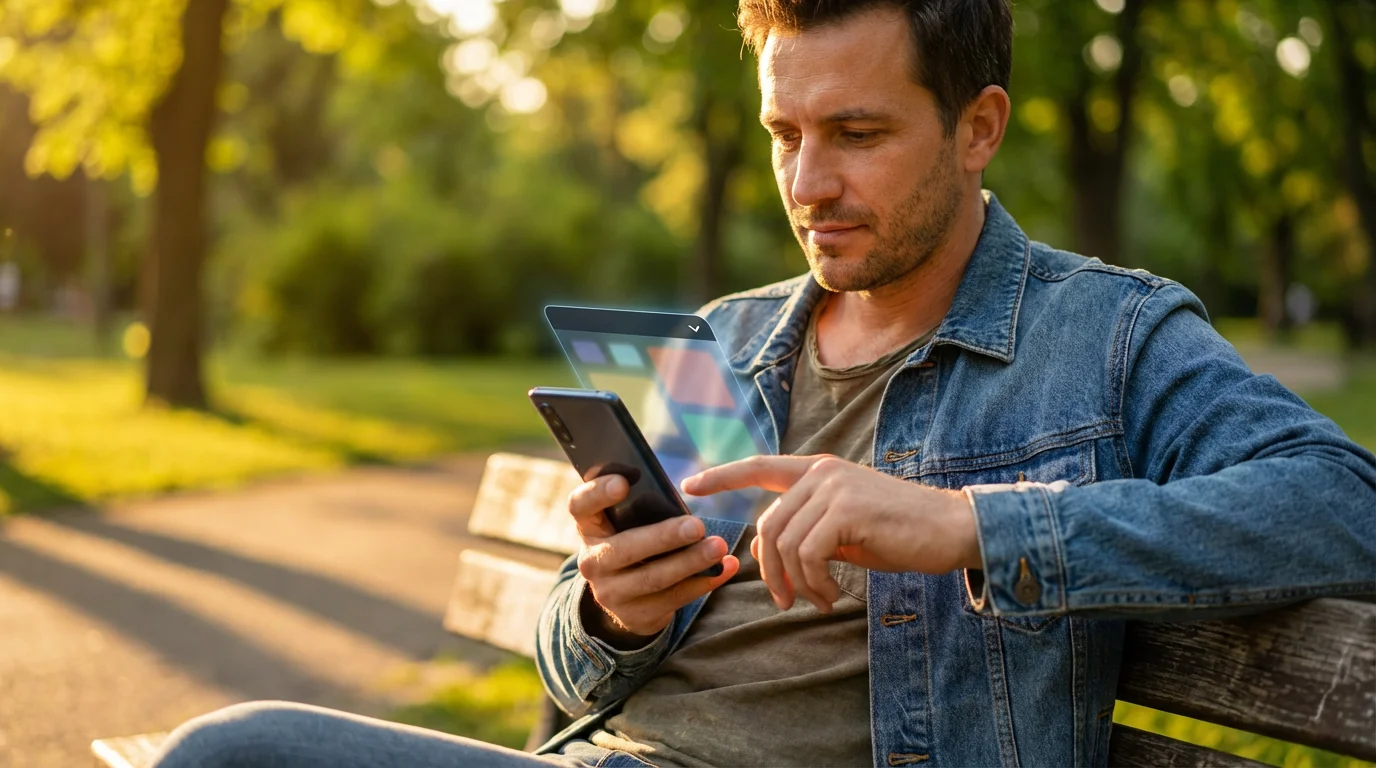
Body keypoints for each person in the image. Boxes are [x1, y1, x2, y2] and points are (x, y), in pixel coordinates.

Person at [152, 1, 1376, 766]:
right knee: (234, 753)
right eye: (784, 136)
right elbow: (567, 673)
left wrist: (966, 524)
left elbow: (1342, 502)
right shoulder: (723, 342)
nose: (806, 185)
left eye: (855, 135)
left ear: (977, 126)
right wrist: (603, 610)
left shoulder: (1107, 336)